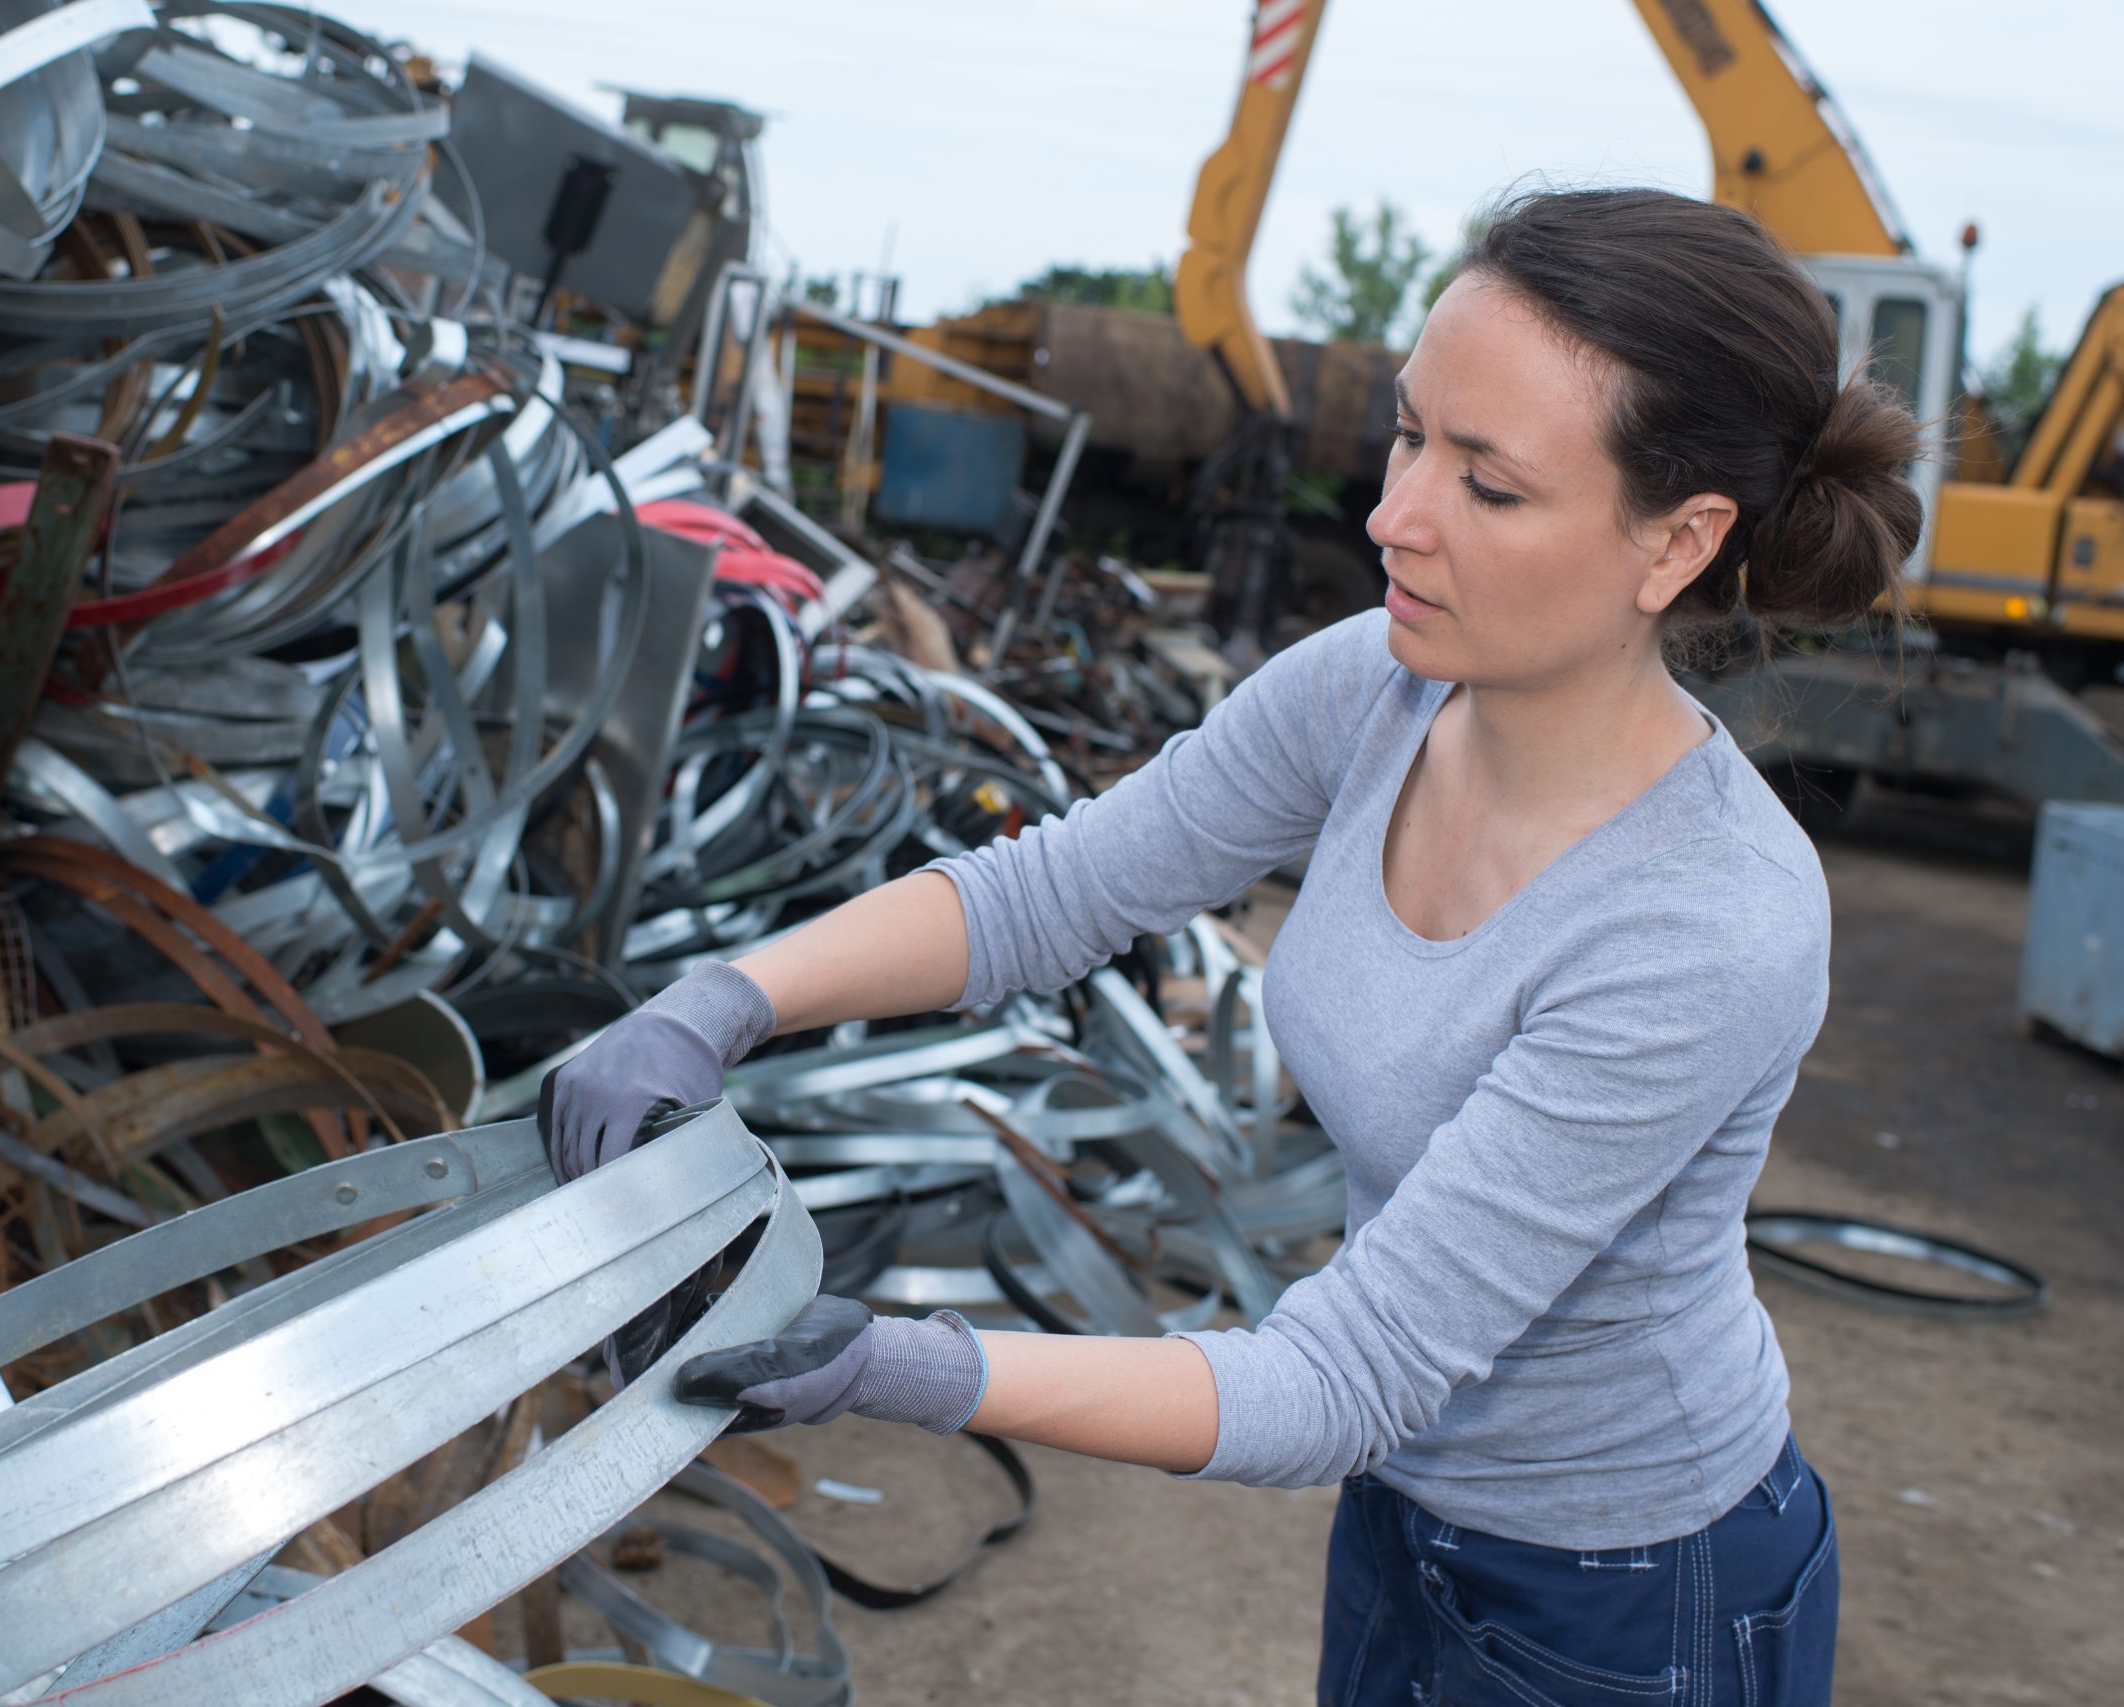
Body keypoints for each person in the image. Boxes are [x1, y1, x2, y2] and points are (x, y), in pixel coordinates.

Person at [541, 187, 1922, 1707]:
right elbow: (1049, 896)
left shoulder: (1706, 924)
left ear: (1680, 540)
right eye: (1408, 437)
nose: (1395, 515)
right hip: (1411, 1506)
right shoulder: (1380, 687)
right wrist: (717, 1003)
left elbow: (1339, 1378)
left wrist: (907, 1366)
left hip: (1632, 1591)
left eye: (1491, 485)